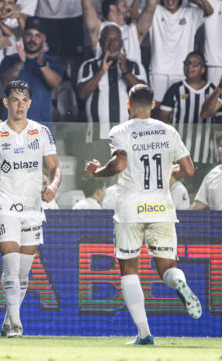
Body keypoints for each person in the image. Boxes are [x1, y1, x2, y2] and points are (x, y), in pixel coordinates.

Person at [85, 84, 200, 345]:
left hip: (130, 209)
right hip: (161, 207)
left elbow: (120, 164)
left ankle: (144, 333)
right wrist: (168, 174)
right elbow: (189, 169)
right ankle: (179, 283)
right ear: (154, 105)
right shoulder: (168, 130)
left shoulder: (121, 130)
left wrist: (96, 172)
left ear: (128, 105)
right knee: (167, 268)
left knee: (129, 268)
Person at [0, 80, 61, 338]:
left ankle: (8, 320)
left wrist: (54, 187)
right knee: (10, 268)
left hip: (33, 209)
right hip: (5, 207)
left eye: (24, 100)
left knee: (23, 274)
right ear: (6, 102)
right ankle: (17, 324)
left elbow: (55, 169)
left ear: (30, 103)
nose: (20, 105)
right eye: (15, 99)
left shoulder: (41, 132)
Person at [159, 52, 218, 190]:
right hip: (179, 154)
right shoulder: (175, 89)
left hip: (206, 154)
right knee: (179, 191)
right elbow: (163, 119)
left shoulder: (212, 90)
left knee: (201, 192)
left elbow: (220, 120)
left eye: (195, 64)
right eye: (187, 63)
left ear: (203, 69)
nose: (190, 67)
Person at [77, 25, 146, 140]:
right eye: (107, 40)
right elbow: (82, 94)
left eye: (115, 40)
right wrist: (101, 71)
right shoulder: (88, 66)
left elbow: (144, 96)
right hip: (96, 138)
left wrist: (126, 72)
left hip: (127, 139)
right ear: (100, 42)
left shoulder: (134, 66)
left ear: (121, 43)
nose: (111, 44)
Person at [82, 0, 157, 67]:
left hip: (132, 80)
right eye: (123, 5)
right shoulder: (99, 28)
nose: (128, 8)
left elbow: (150, 8)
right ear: (112, 8)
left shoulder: (134, 30)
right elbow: (86, 4)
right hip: (105, 80)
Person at [147, 0, 204, 103]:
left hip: (183, 71)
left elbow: (209, 12)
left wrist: (198, 0)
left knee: (182, 111)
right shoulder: (154, 11)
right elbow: (135, 15)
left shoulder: (191, 13)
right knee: (157, 110)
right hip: (158, 71)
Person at [0, 17, 63, 123]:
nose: (32, 39)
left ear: (44, 38)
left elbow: (55, 83)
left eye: (37, 35)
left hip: (41, 125)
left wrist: (42, 66)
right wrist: (20, 63)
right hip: (13, 125)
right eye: (29, 34)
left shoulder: (51, 62)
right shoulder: (10, 60)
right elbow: (5, 81)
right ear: (23, 36)